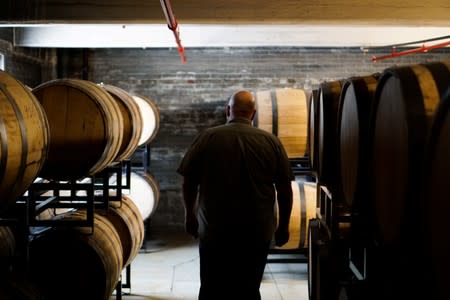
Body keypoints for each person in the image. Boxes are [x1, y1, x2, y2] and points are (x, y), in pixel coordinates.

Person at [177, 90, 294, 300]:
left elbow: (188, 182)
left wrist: (189, 216)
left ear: (227, 110)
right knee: (249, 289)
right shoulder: (271, 142)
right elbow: (285, 190)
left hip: (214, 231)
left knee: (212, 288)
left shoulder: (208, 137)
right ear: (254, 113)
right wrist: (283, 226)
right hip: (256, 233)